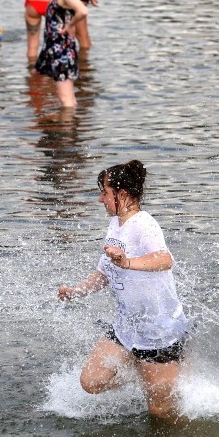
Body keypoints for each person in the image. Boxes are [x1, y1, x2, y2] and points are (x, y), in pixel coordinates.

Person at [58, 160, 188, 421]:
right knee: (91, 382)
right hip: (127, 324)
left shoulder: (144, 224)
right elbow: (105, 271)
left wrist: (128, 262)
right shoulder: (116, 224)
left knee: (160, 412)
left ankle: (170, 373)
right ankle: (141, 370)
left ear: (123, 195)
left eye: (105, 193)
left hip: (157, 330)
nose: (100, 199)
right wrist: (77, 291)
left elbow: (164, 260)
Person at [33, 0, 88, 108]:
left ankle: (66, 130)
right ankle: (73, 128)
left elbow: (82, 10)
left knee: (65, 99)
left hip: (62, 48)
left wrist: (70, 25)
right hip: (56, 47)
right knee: (68, 96)